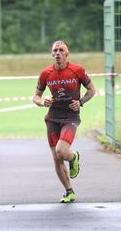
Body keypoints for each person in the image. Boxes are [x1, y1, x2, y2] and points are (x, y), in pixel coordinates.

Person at [33, 40, 96, 203]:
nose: (58, 53)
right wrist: (42, 102)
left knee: (62, 151)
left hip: (71, 117)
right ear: (52, 54)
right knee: (56, 157)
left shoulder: (77, 70)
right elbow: (36, 96)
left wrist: (81, 102)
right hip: (53, 117)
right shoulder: (45, 73)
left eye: (61, 50)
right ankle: (69, 191)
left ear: (67, 53)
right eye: (55, 51)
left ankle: (74, 157)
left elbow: (92, 90)